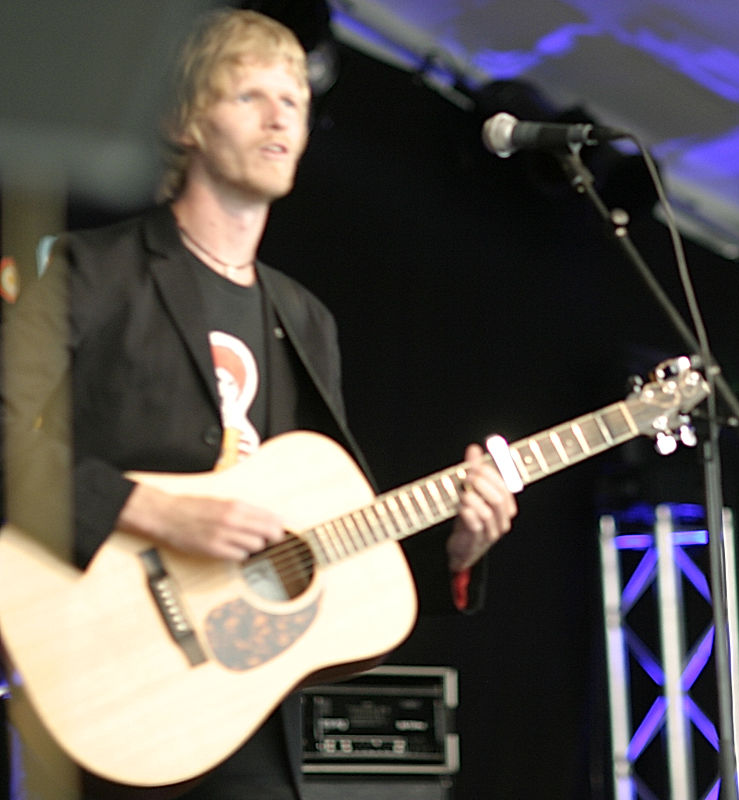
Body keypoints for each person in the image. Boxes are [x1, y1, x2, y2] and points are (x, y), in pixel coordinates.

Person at [2, 8, 517, 799]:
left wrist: (456, 552)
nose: (283, 117)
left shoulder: (305, 318)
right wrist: (155, 512)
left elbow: (328, 534)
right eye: (252, 97)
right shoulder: (94, 272)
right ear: (183, 123)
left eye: (298, 102)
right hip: (103, 668)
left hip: (236, 700)